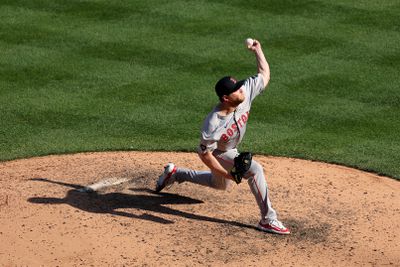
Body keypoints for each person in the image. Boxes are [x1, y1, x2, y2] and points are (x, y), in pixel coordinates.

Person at [156, 39, 290, 235]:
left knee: (219, 185)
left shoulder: (244, 94)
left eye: (240, 86)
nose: (241, 89)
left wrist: (258, 51)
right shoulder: (212, 124)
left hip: (230, 150)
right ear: (226, 98)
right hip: (218, 152)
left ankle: (176, 173)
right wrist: (228, 173)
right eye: (236, 90)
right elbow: (205, 155)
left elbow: (264, 75)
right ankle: (268, 219)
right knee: (255, 170)